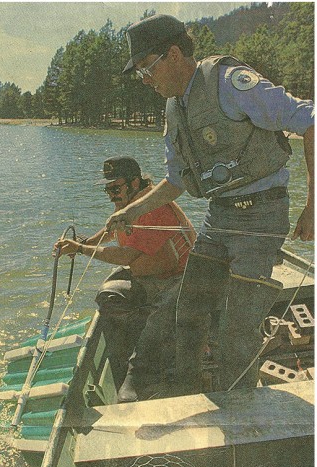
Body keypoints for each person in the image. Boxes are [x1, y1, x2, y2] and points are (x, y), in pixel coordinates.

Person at [106, 14, 314, 397]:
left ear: (172, 54)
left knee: (237, 328)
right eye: (140, 74)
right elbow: (178, 180)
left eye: (146, 69)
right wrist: (131, 211)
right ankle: (190, 393)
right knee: (190, 310)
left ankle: (238, 409)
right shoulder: (174, 109)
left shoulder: (230, 83)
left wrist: (312, 206)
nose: (146, 80)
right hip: (220, 216)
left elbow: (310, 120)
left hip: (262, 214)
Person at [54, 156, 196, 400]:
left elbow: (125, 256)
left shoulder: (153, 207)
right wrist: (84, 242)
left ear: (135, 182)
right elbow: (113, 230)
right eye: (107, 189)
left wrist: (79, 250)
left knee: (153, 339)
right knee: (108, 296)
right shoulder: (131, 201)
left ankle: (144, 376)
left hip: (176, 282)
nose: (111, 194)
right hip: (151, 278)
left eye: (115, 188)